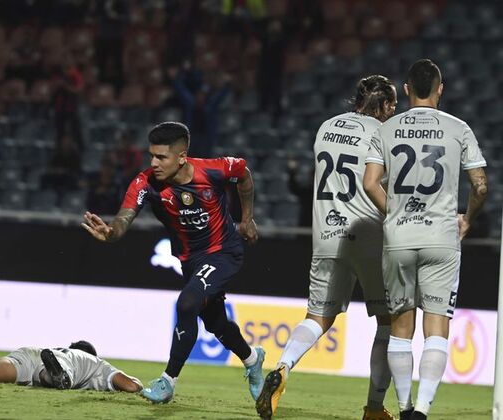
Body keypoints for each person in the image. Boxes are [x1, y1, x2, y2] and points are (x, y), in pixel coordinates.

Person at [82, 121, 265, 403]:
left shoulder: (213, 169)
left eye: (161, 157)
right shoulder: (146, 182)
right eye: (151, 155)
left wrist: (247, 218)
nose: (153, 163)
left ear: (181, 157)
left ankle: (167, 381)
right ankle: (253, 360)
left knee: (187, 303)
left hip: (224, 252)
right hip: (191, 260)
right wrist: (111, 233)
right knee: (215, 323)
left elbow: (244, 174)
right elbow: (124, 217)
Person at [256, 75, 398, 420]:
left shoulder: (326, 128)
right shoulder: (384, 135)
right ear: (382, 105)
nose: (395, 112)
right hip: (369, 235)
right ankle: (374, 409)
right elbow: (382, 184)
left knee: (318, 317)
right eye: (393, 106)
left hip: (326, 234)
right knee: (390, 323)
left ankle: (283, 366)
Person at [363, 59, 488, 419]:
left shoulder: (386, 130)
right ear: (440, 88)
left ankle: (402, 408)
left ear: (405, 90)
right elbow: (480, 185)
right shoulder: (458, 128)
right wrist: (467, 219)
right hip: (441, 238)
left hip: (399, 237)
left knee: (401, 327)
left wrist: (396, 213)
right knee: (437, 325)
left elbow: (370, 182)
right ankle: (421, 410)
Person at [0, 340, 142, 393]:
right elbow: (130, 385)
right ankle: (56, 374)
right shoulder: (95, 362)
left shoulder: (61, 348)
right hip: (62, 364)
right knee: (56, 377)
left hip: (31, 353)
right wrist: (139, 385)